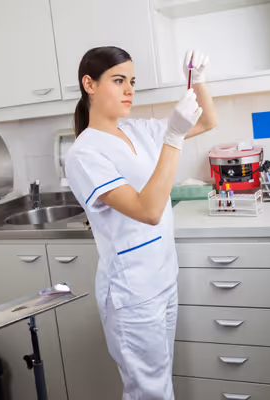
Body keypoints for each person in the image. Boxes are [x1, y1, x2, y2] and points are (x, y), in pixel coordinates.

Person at [65, 46, 217, 400]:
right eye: (118, 80)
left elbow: (208, 121)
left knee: (161, 383)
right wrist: (173, 138)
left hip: (164, 278)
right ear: (89, 84)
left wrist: (197, 82)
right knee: (150, 392)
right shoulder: (85, 154)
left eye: (131, 81)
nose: (129, 89)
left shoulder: (139, 130)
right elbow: (148, 210)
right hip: (133, 294)